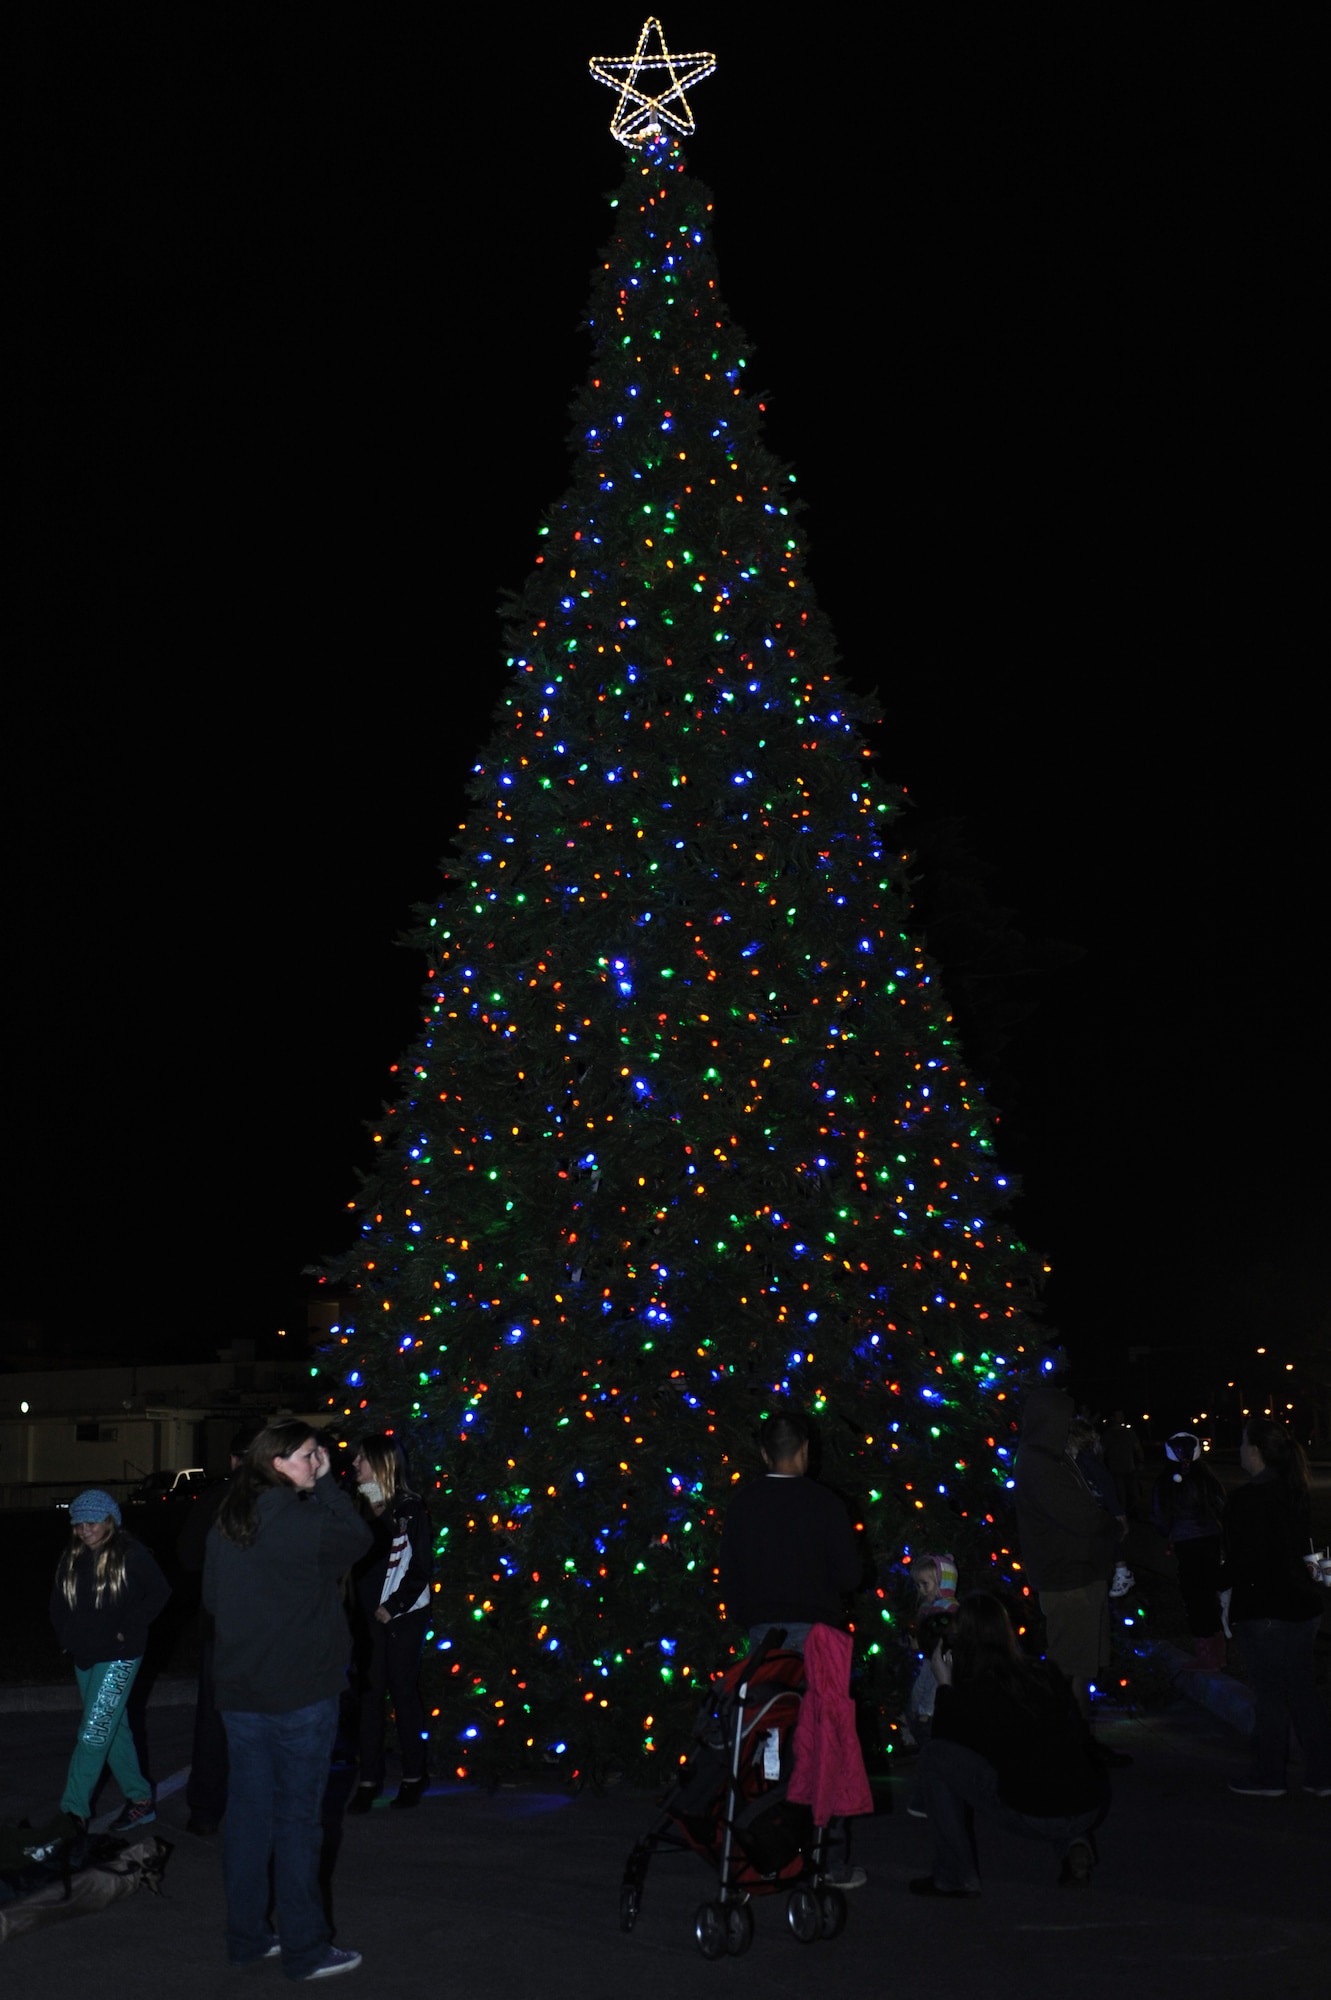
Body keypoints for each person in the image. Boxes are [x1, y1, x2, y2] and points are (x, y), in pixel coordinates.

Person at [204, 1421, 372, 1980]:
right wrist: (327, 1485)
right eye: (307, 1455)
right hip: (299, 1691)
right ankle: (305, 1949)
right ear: (278, 1463)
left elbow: (211, 1598)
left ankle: (246, 1937)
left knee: (250, 1817)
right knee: (299, 1820)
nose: (317, 1460)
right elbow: (359, 1539)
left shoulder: (230, 1521)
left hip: (241, 1690)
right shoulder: (305, 1522)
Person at [719, 1409, 866, 1886]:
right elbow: (850, 1575)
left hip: (767, 1640)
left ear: (764, 1453)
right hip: (820, 1638)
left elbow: (732, 1585)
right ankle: (828, 1856)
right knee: (827, 1743)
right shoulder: (825, 1504)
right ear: (804, 1450)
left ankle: (773, 1845)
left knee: (770, 1743)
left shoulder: (743, 1505)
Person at [910, 1591, 1110, 1896]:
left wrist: (945, 1686)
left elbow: (945, 1742)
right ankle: (1073, 1844)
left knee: (935, 1757)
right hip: (1088, 1803)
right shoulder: (1043, 1672)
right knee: (1045, 1772)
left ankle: (954, 1875)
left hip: (1037, 1813)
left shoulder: (976, 1690)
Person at [1220, 1417, 1331, 1799]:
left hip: (1266, 1609)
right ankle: (1322, 1774)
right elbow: (1303, 1549)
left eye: (1241, 1442)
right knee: (1302, 1688)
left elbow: (1244, 1560)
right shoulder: (1293, 1490)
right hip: (1302, 1606)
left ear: (1254, 1451)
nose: (1238, 1450)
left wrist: (1217, 1584)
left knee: (1269, 1694)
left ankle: (1269, 1775)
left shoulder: (1246, 1499)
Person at [49, 1488, 171, 1833]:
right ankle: (140, 1800)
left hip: (119, 1657)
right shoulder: (71, 1557)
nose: (84, 1530)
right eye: (78, 1524)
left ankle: (72, 1814)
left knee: (93, 1733)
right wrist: (66, 1639)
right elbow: (58, 1603)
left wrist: (128, 1629)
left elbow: (160, 1592)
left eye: (92, 1522)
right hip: (85, 1656)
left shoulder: (131, 1554)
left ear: (109, 1521)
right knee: (113, 1730)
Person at [1014, 1371, 1121, 1743]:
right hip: (1068, 1580)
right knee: (1072, 1668)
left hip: (1079, 1576)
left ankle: (1083, 1746)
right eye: (1064, 1416)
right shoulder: (1040, 1464)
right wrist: (1111, 1524)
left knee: (1082, 1668)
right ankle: (1074, 1749)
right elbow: (1084, 1518)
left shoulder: (1050, 1457)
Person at [175, 1418, 267, 1835]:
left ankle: (206, 1808)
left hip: (221, 1626)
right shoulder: (279, 1501)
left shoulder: (214, 1499)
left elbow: (188, 1556)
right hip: (267, 1628)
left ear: (232, 1460)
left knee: (215, 1718)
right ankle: (257, 1806)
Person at [347, 1435, 433, 1813]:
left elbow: (421, 1569)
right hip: (366, 1620)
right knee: (368, 1697)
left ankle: (414, 1777)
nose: (354, 1465)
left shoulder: (409, 1509)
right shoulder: (357, 1507)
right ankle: (368, 1780)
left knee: (402, 1692)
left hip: (403, 1617)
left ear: (381, 1465)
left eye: (361, 1460)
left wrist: (393, 1606)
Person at [1152, 1432, 1226, 1670]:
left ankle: (1206, 1657)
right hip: (1211, 1540)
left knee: (1194, 1599)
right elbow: (1221, 1506)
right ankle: (1219, 1655)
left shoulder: (1165, 1480)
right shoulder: (1207, 1477)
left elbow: (1160, 1517)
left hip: (1186, 1544)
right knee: (1210, 1594)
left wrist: (1168, 1535)